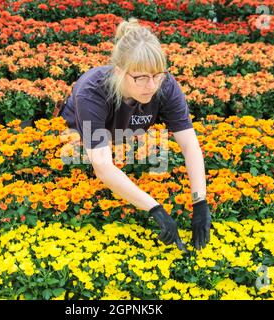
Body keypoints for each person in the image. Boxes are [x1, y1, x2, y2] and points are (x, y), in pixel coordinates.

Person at [54, 18, 211, 251]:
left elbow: (189, 143)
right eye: (140, 77)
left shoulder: (164, 85)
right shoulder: (91, 92)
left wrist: (200, 202)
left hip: (125, 140)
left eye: (157, 75)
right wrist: (156, 209)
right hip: (77, 143)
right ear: (120, 71)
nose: (151, 85)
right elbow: (102, 167)